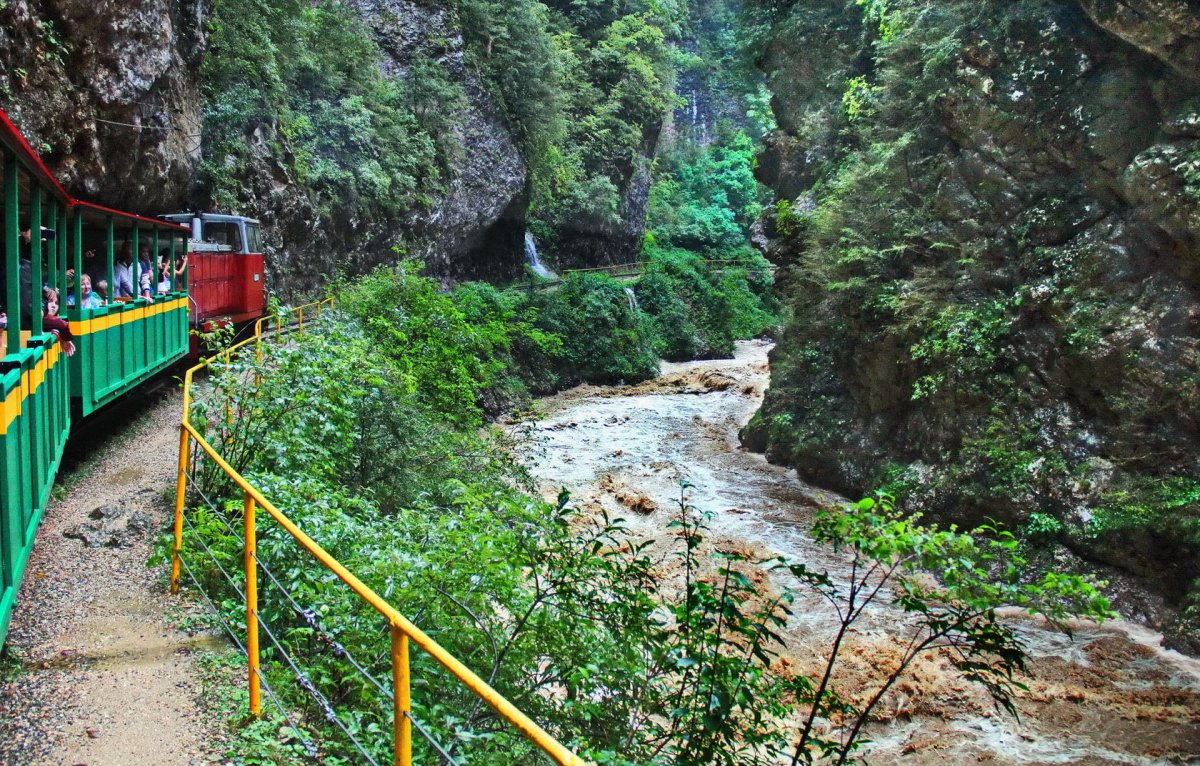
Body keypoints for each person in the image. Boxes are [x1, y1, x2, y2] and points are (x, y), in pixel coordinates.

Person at [42, 287, 74, 356]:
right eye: (50, 301)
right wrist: (66, 338)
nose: (54, 305)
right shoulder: (42, 318)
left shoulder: (53, 319)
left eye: (56, 303)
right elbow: (62, 324)